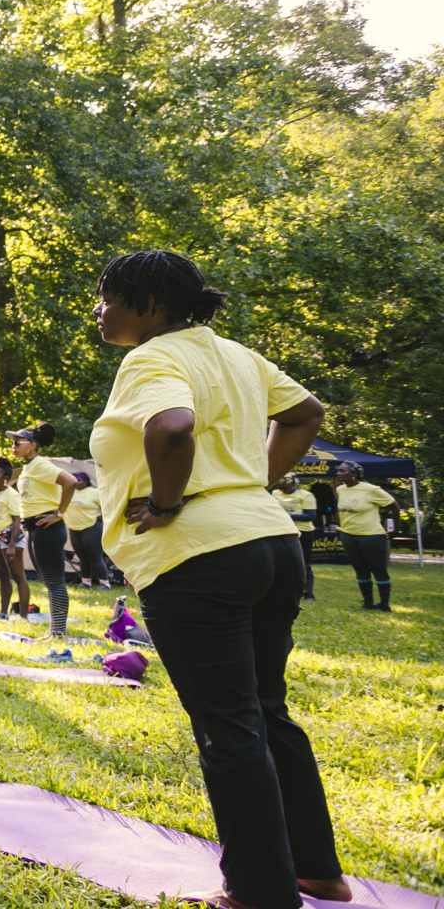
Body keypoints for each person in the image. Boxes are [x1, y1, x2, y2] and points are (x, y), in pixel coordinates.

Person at [89, 249, 347, 909]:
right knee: (265, 710)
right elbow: (305, 414)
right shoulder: (234, 354)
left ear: (149, 307)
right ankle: (317, 869)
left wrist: (173, 501)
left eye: (107, 296)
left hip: (199, 556)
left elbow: (171, 427)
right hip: (269, 543)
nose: (99, 309)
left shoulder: (152, 357)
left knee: (228, 727)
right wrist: (247, 485)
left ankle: (259, 892)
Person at [10, 423, 79, 639]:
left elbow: (71, 482)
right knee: (50, 580)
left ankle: (58, 632)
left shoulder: (40, 465)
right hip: (36, 528)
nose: (13, 446)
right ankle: (55, 630)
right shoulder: (30, 467)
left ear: (32, 445)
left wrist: (59, 513)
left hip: (48, 527)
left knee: (54, 580)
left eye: (17, 443)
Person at [333, 462, 395, 611]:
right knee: (360, 569)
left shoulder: (372, 490)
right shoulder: (340, 489)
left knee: (378, 570)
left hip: (371, 536)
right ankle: (368, 603)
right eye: (338, 470)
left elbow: (394, 506)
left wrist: (394, 529)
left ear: (354, 473)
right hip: (348, 535)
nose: (338, 473)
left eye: (342, 470)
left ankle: (384, 604)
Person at [0, 459, 28, 620]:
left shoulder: (12, 495)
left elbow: (17, 520)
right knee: (2, 575)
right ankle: (3, 613)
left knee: (18, 576)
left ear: (6, 477)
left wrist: (11, 545)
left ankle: (23, 616)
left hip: (11, 539)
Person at [270, 474, 318, 601]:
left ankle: (308, 593)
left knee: (304, 562)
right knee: (281, 562)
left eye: (285, 480)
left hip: (303, 531)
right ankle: (283, 589)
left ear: (294, 482)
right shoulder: (275, 493)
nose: (281, 482)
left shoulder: (306, 495)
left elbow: (310, 516)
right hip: (281, 530)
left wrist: (284, 515)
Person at [65, 471, 111, 589]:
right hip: (74, 528)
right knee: (82, 557)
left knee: (95, 556)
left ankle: (105, 583)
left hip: (92, 527)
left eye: (79, 480)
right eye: (74, 480)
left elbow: (107, 508)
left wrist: (101, 520)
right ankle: (86, 582)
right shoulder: (69, 492)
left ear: (86, 481)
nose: (76, 482)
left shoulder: (95, 492)